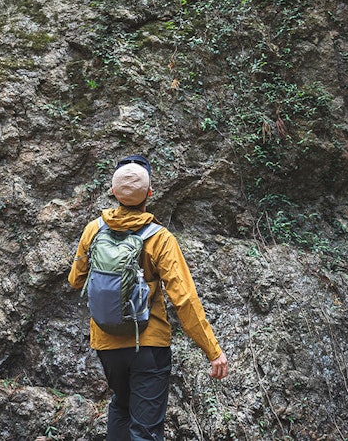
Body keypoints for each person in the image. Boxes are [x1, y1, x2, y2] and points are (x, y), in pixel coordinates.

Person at [68, 154, 228, 441]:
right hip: (148, 345)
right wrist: (212, 350)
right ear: (150, 194)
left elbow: (75, 280)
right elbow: (184, 300)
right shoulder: (160, 238)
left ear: (114, 192)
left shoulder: (94, 230)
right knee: (146, 429)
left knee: (121, 406)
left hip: (107, 343)